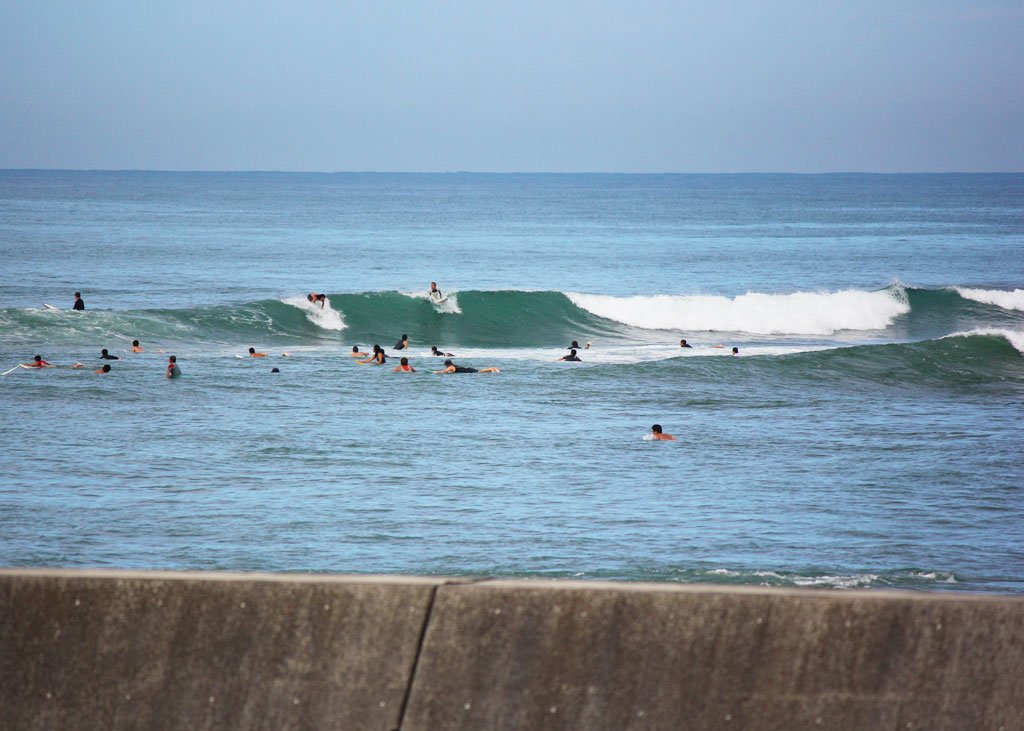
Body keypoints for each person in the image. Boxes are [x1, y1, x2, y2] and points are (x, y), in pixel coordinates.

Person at [434, 359, 499, 374]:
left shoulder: (451, 367)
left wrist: (436, 372)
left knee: (480, 371)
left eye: (445, 364)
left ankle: (491, 369)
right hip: (468, 369)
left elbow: (444, 371)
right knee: (480, 371)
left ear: (447, 364)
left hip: (468, 371)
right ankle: (494, 369)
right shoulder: (453, 366)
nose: (445, 365)